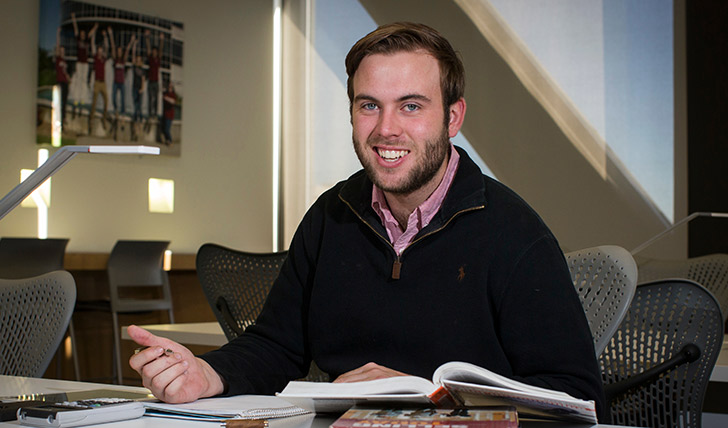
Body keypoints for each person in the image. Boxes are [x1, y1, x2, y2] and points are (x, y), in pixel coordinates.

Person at [128, 22, 605, 414]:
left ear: (453, 117)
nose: (386, 129)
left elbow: (575, 395)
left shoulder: (514, 233)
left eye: (411, 106)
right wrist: (205, 374)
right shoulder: (331, 215)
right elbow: (276, 345)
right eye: (369, 105)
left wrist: (429, 398)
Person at [108, 28, 136, 132]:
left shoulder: (123, 60)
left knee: (123, 101)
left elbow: (128, 49)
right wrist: (111, 34)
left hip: (122, 83)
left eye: (120, 51)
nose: (119, 52)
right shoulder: (116, 59)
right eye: (118, 51)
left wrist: (132, 41)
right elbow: (112, 47)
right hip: (116, 82)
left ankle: (123, 119)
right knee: (114, 98)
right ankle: (116, 112)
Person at [69, 13, 97, 119]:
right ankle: (76, 100)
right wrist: (73, 19)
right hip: (79, 63)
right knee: (78, 80)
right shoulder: (78, 40)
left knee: (84, 80)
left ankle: (82, 99)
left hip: (85, 63)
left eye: (83, 34)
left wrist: (95, 27)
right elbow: (75, 28)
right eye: (81, 34)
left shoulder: (86, 41)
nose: (82, 35)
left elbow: (90, 33)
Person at [89, 28, 109, 134]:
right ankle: (91, 121)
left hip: (103, 83)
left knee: (106, 100)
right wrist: (93, 34)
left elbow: (106, 47)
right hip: (97, 82)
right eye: (99, 51)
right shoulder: (96, 57)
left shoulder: (103, 58)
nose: (100, 52)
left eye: (101, 51)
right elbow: (92, 45)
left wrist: (105, 36)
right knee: (94, 102)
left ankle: (104, 118)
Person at [144, 30, 164, 132]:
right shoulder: (151, 58)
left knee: (155, 98)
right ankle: (149, 114)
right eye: (153, 51)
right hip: (150, 81)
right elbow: (148, 48)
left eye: (155, 51)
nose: (154, 52)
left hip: (156, 82)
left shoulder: (158, 59)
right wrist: (147, 38)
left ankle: (155, 114)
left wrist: (161, 40)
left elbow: (161, 50)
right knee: (149, 98)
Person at [130, 38, 147, 141]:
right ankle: (137, 126)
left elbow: (143, 80)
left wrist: (142, 88)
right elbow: (132, 55)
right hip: (134, 88)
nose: (137, 60)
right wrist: (134, 45)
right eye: (137, 59)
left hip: (139, 89)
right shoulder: (134, 67)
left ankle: (138, 127)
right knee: (136, 106)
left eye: (139, 59)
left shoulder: (142, 69)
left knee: (139, 107)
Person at [54, 27, 71, 131]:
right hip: (59, 82)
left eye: (63, 51)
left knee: (64, 103)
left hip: (65, 83)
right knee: (59, 103)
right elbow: (57, 45)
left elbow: (65, 72)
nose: (62, 52)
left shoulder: (64, 61)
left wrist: (68, 77)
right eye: (61, 51)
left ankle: (63, 122)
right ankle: (57, 122)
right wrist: (58, 33)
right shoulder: (58, 58)